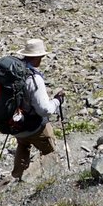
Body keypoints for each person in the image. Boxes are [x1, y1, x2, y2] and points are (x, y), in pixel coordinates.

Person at [11, 38, 65, 181]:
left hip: (16, 123)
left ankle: (17, 178)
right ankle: (52, 180)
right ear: (36, 57)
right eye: (41, 56)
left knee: (23, 145)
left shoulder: (14, 72)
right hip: (35, 126)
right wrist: (57, 101)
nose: (42, 59)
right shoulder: (34, 78)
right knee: (49, 150)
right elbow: (44, 110)